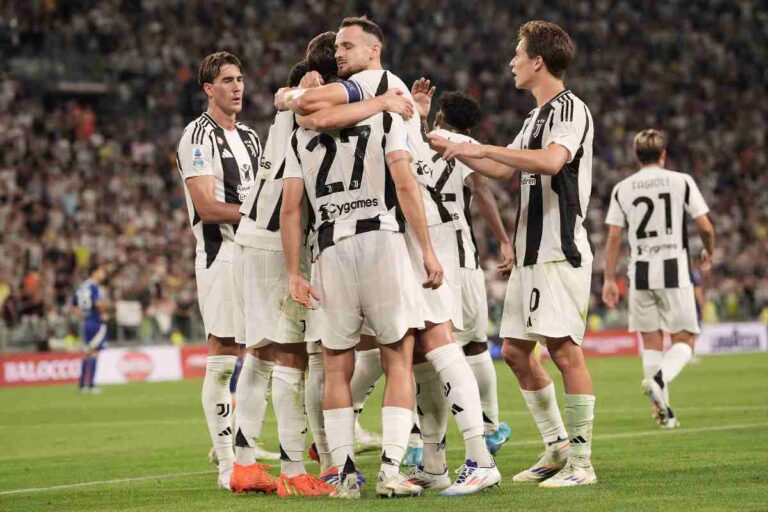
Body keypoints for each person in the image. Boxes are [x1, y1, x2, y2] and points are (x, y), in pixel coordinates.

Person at [280, 16, 501, 496]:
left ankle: (467, 458)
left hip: (391, 241)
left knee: (426, 351)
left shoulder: (362, 98)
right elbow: (408, 175)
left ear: (372, 52)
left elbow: (308, 118)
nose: (342, 55)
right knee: (420, 355)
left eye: (349, 46)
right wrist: (414, 118)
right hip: (406, 238)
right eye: (337, 49)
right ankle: (431, 464)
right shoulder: (387, 105)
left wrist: (292, 97)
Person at [430, 20, 597, 487]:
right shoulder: (533, 117)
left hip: (557, 251)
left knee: (564, 351)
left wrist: (482, 146)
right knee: (519, 354)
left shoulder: (570, 109)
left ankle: (583, 465)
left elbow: (550, 162)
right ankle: (558, 446)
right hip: (528, 254)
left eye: (518, 53)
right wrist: (451, 147)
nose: (512, 61)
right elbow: (501, 170)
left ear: (538, 60)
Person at [415, 85, 515, 455]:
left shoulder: (419, 139)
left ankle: (417, 439)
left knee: (424, 352)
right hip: (465, 258)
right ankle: (489, 425)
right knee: (475, 345)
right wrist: (504, 240)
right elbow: (483, 192)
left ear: (440, 115)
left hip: (427, 260)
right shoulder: (467, 149)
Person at [176, 51, 256, 490]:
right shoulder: (196, 137)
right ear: (209, 89)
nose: (237, 87)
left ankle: (244, 449)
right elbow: (207, 207)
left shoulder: (250, 136)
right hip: (220, 258)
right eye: (227, 80)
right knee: (223, 359)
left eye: (240, 79)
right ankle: (227, 465)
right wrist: (259, 217)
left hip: (255, 258)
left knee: (266, 355)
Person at [602, 128, 715, 428]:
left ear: (637, 156)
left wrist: (609, 279)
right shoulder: (682, 181)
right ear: (663, 155)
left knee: (651, 341)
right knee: (686, 340)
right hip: (674, 271)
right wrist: (708, 249)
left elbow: (614, 237)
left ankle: (663, 413)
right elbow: (705, 226)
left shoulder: (622, 188)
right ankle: (658, 380)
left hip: (638, 274)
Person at [73, 264, 109, 394]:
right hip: (96, 322)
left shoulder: (82, 287)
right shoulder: (94, 287)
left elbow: (75, 308)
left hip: (85, 322)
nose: (103, 274)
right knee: (94, 353)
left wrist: (84, 315)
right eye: (101, 271)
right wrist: (105, 310)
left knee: (87, 353)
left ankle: (82, 385)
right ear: (94, 273)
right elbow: (98, 304)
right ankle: (92, 385)